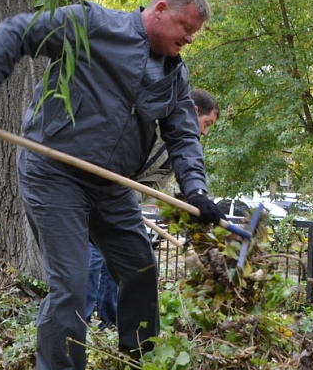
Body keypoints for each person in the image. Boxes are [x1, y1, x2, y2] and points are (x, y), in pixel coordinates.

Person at [0, 0, 226, 370]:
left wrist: (196, 190)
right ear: (159, 10)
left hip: (112, 183)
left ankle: (142, 363)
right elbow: (17, 30)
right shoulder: (91, 24)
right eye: (185, 29)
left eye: (192, 35)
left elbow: (183, 136)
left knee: (139, 266)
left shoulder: (176, 74)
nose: (188, 40)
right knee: (72, 283)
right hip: (54, 173)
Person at [86, 88, 220, 327]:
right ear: (194, 111)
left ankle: (109, 320)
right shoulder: (153, 123)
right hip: (94, 192)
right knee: (91, 260)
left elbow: (154, 184)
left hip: (119, 202)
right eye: (206, 123)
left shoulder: (177, 150)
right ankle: (79, 322)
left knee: (115, 261)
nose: (205, 132)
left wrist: (187, 203)